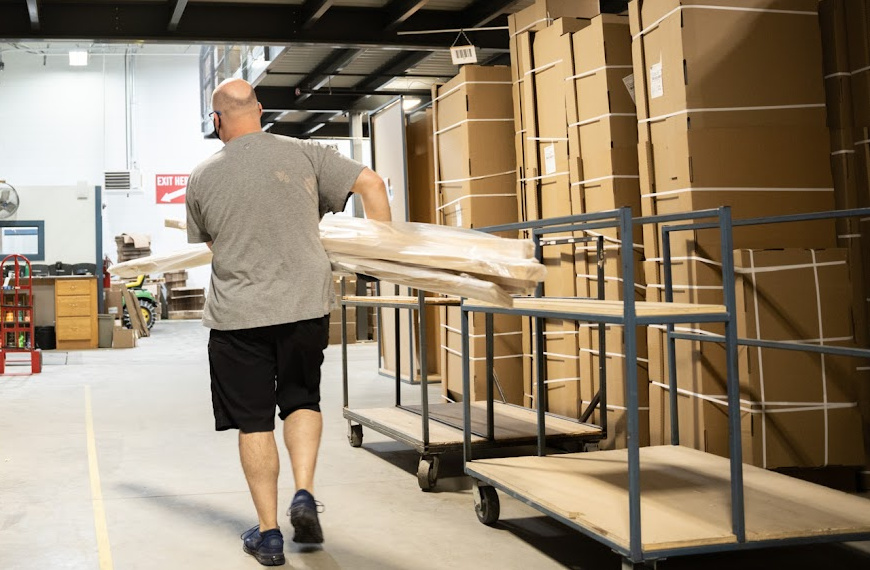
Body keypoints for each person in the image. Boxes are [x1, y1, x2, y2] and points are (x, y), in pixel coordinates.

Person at [186, 78, 390, 566]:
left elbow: (213, 245)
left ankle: (270, 533)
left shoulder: (201, 176)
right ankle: (303, 492)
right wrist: (380, 256)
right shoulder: (304, 154)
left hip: (238, 316)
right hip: (304, 308)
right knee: (301, 399)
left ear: (217, 122)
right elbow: (372, 183)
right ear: (260, 110)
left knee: (254, 421)